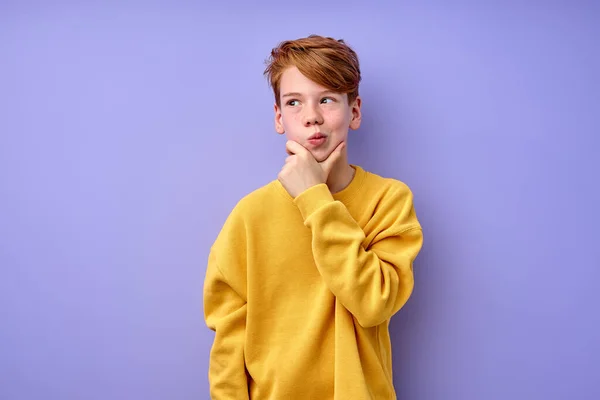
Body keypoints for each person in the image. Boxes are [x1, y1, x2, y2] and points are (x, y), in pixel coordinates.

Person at [203, 34, 424, 399]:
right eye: (294, 102)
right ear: (279, 117)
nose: (312, 117)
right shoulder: (250, 215)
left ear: (353, 111)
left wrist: (314, 199)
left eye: (327, 99)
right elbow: (228, 340)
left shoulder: (389, 200)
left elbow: (374, 304)